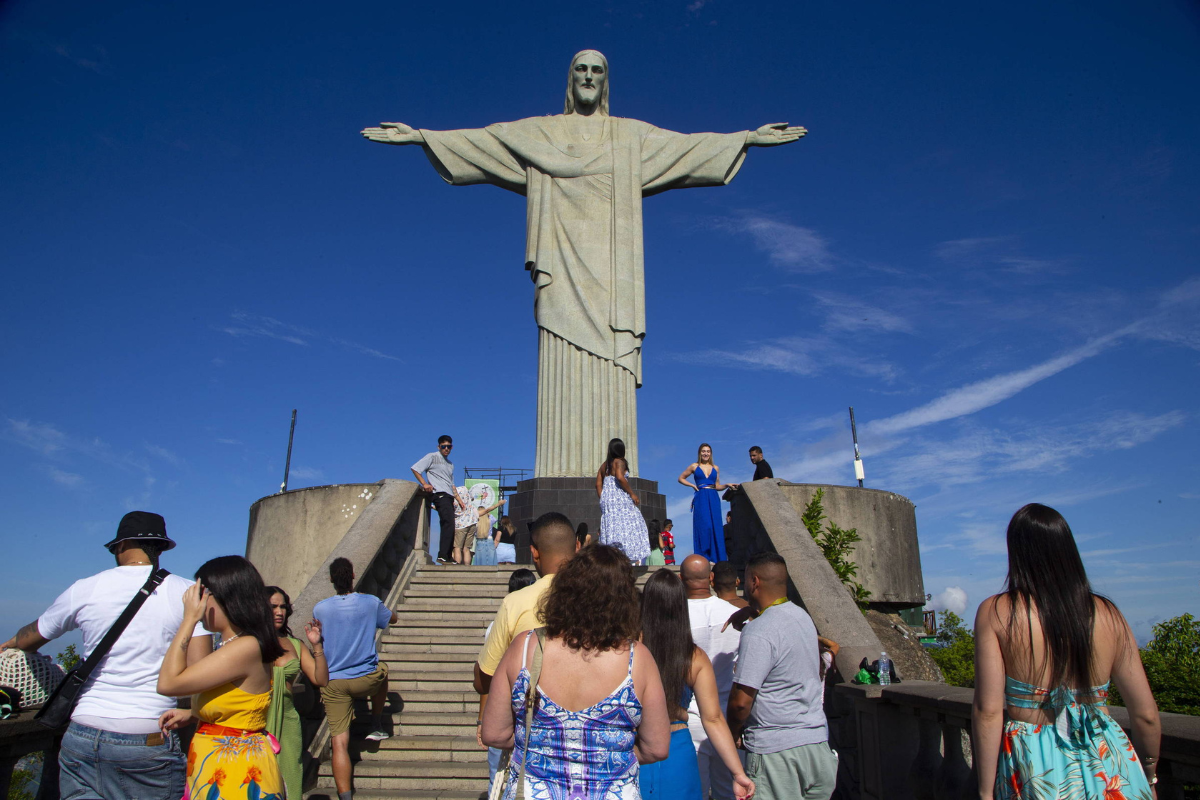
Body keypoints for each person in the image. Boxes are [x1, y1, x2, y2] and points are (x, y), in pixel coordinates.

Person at [0, 511, 211, 800]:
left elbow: (34, 635)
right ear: (161, 548)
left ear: (121, 546)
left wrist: (11, 642)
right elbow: (199, 672)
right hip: (148, 733)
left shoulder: (86, 587)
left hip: (84, 731)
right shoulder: (189, 592)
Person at [972, 504, 1160, 800]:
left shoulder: (997, 613)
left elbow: (988, 711)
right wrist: (1149, 774)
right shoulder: (1109, 615)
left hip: (1036, 766)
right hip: (1110, 764)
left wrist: (985, 791)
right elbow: (1146, 714)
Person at [482, 544, 672, 800]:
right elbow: (657, 748)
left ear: (564, 590)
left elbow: (494, 733)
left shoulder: (525, 646)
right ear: (624, 600)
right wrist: (610, 755)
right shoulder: (638, 659)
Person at [157, 556, 287, 800]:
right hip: (223, 763)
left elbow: (168, 683)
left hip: (235, 772)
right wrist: (194, 714)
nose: (200, 605)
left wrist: (188, 620)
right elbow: (239, 704)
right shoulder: (239, 643)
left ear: (225, 598)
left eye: (204, 596)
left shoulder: (245, 647)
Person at [474, 513, 581, 794]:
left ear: (534, 553)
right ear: (578, 548)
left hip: (529, 746)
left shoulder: (515, 602)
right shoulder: (604, 602)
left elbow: (485, 675)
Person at [726, 554, 834, 800]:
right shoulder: (802, 618)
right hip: (817, 745)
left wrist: (732, 733)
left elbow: (741, 701)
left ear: (754, 581)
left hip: (776, 752)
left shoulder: (758, 631)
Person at [641, 568, 755, 800]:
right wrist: (737, 772)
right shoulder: (693, 657)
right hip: (677, 748)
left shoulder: (629, 650)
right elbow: (712, 718)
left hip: (636, 748)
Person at [314, 557, 400, 800]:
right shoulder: (370, 602)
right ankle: (376, 722)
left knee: (339, 742)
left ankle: (345, 796)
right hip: (366, 677)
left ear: (331, 579)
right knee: (382, 671)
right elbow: (392, 619)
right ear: (353, 575)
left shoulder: (320, 608)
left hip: (333, 681)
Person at [682, 555, 746, 800]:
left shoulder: (675, 619)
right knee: (731, 793)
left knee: (695, 792)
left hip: (690, 717)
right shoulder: (736, 616)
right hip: (729, 717)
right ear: (710, 578)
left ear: (681, 579)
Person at [265, 585, 329, 800]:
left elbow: (320, 679)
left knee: (290, 783)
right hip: (255, 721)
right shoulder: (248, 642)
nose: (279, 612)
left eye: (283, 607)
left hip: (288, 723)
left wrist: (316, 645)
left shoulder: (294, 644)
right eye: (273, 606)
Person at [411, 435, 467, 564]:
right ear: (439, 447)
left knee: (450, 524)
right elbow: (415, 468)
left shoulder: (450, 464)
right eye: (443, 446)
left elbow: (451, 483)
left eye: (449, 446)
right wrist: (425, 484)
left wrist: (458, 499)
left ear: (452, 447)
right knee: (448, 523)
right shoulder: (432, 456)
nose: (446, 449)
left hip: (449, 496)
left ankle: (446, 555)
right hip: (439, 493)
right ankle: (443, 555)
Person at [597, 437, 650, 563]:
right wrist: (632, 494)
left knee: (612, 528)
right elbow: (620, 477)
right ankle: (628, 557)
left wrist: (603, 497)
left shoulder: (605, 465)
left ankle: (612, 557)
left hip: (608, 501)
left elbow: (598, 484)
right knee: (634, 523)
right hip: (620, 498)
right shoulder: (620, 462)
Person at [678, 443, 733, 562]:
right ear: (699, 453)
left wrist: (727, 485)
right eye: (703, 451)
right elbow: (681, 478)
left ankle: (717, 558)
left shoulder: (715, 468)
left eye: (708, 451)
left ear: (711, 453)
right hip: (701, 497)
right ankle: (704, 557)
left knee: (715, 526)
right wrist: (692, 485)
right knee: (704, 526)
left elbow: (717, 485)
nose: (706, 453)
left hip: (713, 496)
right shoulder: (694, 466)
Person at [473, 498, 508, 566]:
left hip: (479, 540)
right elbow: (495, 519)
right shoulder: (490, 520)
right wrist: (486, 513)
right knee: (491, 562)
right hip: (489, 540)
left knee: (480, 562)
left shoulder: (476, 521)